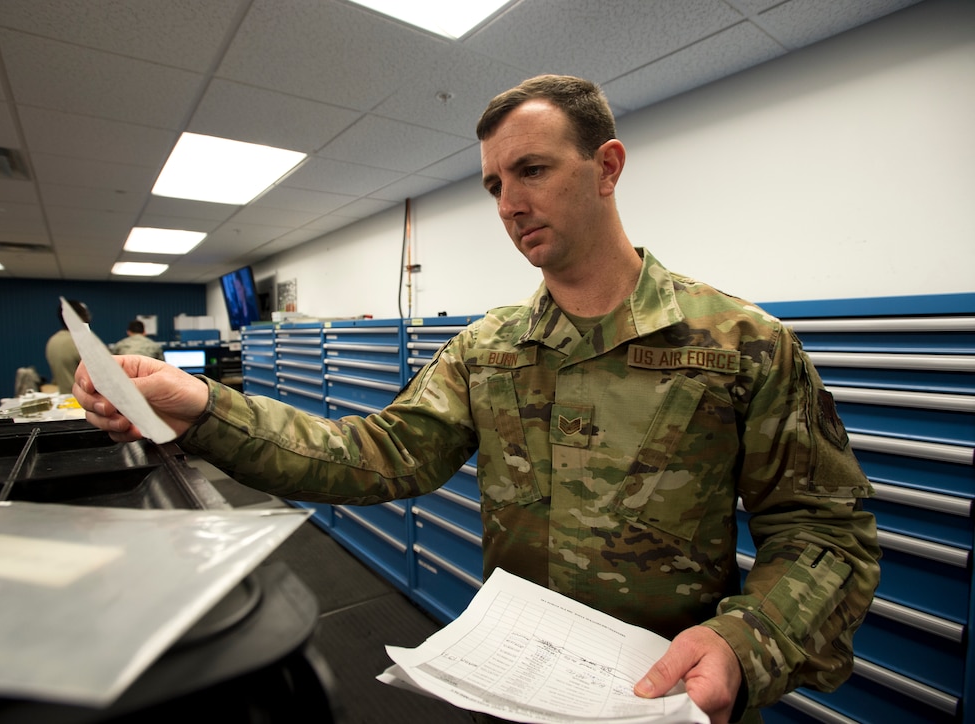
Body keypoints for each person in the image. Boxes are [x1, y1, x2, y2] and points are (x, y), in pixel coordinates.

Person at [75, 75, 881, 723]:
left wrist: (747, 641)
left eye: (532, 170)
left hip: (664, 697)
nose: (508, 203)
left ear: (606, 166)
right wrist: (206, 405)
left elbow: (825, 534)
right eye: (495, 183)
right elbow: (374, 456)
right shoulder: (488, 349)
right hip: (512, 691)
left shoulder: (741, 342)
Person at [45, 299, 90, 394]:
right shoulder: (80, 341)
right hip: (81, 399)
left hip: (64, 398)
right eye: (86, 314)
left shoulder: (52, 341)